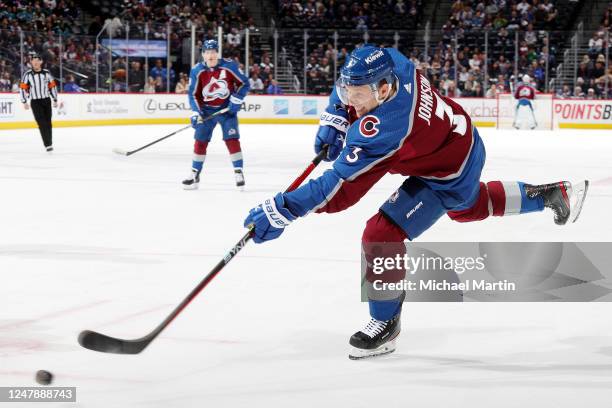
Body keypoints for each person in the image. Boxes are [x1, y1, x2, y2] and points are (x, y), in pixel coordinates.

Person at [243, 46, 589, 360]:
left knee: (388, 233)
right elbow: (346, 85)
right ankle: (552, 194)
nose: (352, 100)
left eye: (358, 95)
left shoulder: (386, 128)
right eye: (350, 91)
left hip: (449, 168)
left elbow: (338, 190)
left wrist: (282, 209)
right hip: (451, 140)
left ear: (382, 89)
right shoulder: (393, 62)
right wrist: (336, 115)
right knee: (461, 209)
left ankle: (385, 325)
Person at [184, 39, 250, 190]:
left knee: (232, 139)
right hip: (206, 111)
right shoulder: (197, 70)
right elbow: (193, 94)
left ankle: (238, 172)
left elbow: (244, 83)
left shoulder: (229, 65)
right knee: (200, 141)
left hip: (227, 110)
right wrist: (195, 112)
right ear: (203, 55)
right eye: (207, 52)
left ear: (217, 53)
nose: (211, 55)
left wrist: (237, 98)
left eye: (213, 52)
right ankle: (195, 174)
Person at [19, 52, 58, 152]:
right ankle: (48, 144)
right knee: (41, 123)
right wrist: (24, 101)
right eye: (33, 60)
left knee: (48, 123)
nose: (35, 62)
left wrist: (55, 99)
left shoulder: (46, 73)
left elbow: (52, 86)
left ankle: (49, 142)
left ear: (41, 62)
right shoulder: (27, 75)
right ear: (31, 62)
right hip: (35, 102)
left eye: (37, 60)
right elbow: (23, 88)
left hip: (46, 100)